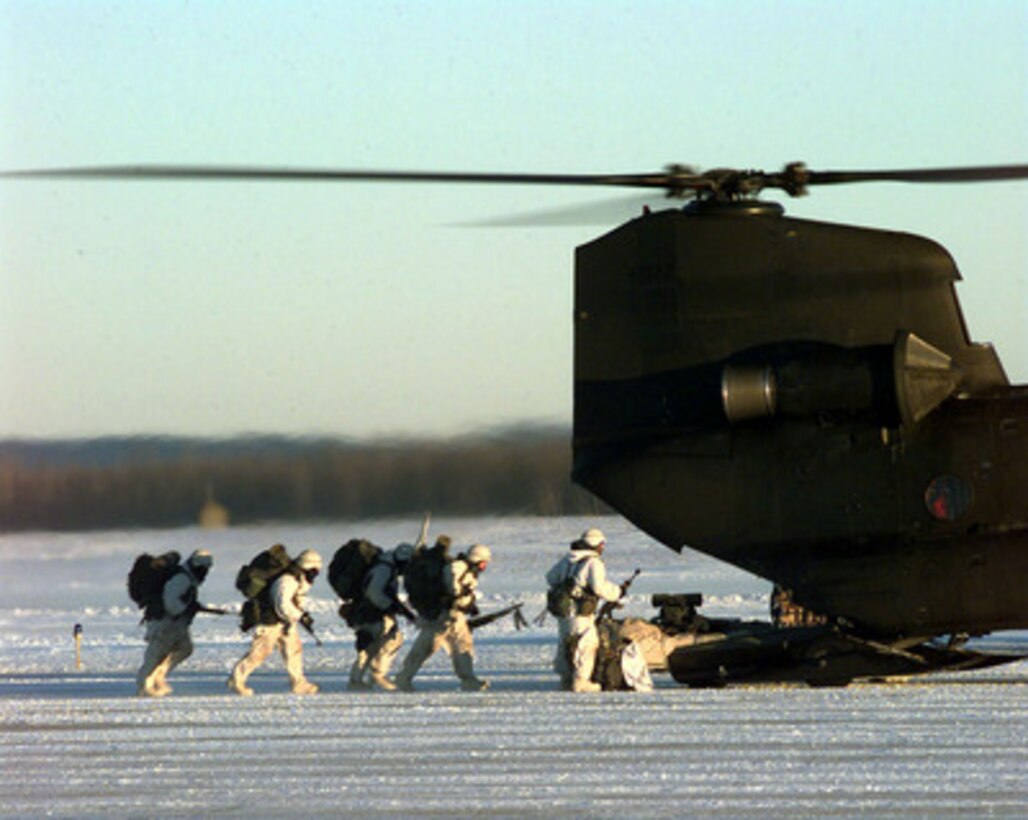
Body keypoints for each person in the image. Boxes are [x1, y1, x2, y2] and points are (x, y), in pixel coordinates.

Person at [394, 543, 491, 692]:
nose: (485, 567)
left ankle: (468, 679)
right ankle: (403, 678)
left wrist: (469, 604)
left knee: (463, 645)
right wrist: (464, 597)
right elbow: (453, 588)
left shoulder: (467, 570)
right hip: (442, 616)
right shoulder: (458, 567)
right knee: (425, 647)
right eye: (484, 563)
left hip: (453, 617)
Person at [227, 549, 322, 696]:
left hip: (285, 622)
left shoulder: (299, 578)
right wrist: (300, 616)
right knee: (259, 653)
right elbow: (282, 604)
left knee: (294, 650)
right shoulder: (288, 580)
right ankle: (237, 679)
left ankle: (299, 683)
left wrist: (300, 614)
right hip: (269, 621)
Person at [545, 528, 623, 692]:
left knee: (566, 643)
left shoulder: (568, 559)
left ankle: (566, 679)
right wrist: (617, 592)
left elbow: (550, 577)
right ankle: (581, 681)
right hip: (581, 614)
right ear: (596, 544)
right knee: (586, 644)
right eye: (602, 544)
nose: (603, 548)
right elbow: (599, 587)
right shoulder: (594, 563)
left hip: (564, 613)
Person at [136, 549, 213, 697]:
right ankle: (144, 686)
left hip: (175, 623)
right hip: (164, 622)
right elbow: (171, 603)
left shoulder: (188, 578)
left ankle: (158, 677)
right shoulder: (181, 579)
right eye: (204, 569)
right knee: (156, 654)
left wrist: (191, 606)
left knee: (185, 648)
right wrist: (187, 608)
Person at [348, 542, 416, 691]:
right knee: (372, 646)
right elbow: (374, 593)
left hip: (375, 613)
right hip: (373, 614)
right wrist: (391, 606)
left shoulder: (386, 567)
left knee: (379, 644)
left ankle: (361, 679)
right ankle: (372, 677)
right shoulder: (384, 570)